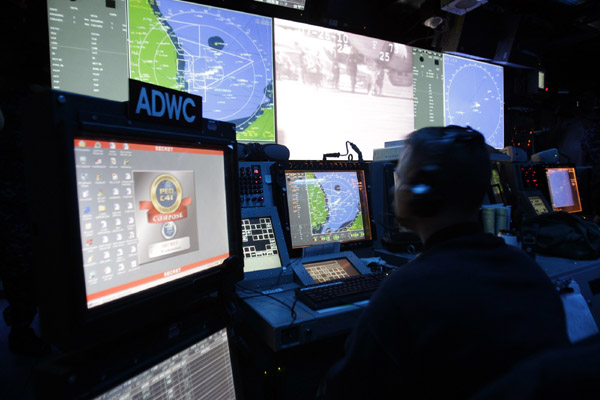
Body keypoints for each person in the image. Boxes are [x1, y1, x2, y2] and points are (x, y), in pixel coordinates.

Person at [319, 126, 569, 399]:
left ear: (421, 192)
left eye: (400, 177)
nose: (394, 190)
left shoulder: (405, 293)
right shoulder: (527, 271)